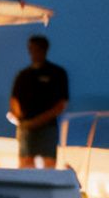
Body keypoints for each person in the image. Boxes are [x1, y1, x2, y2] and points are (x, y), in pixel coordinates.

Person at [9, 34, 70, 168]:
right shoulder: (23, 75)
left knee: (49, 163)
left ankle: (45, 186)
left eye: (35, 49)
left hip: (47, 127)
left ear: (44, 49)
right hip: (26, 128)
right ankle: (25, 186)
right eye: (30, 49)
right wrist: (21, 119)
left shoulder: (57, 73)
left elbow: (61, 104)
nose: (32, 52)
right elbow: (14, 99)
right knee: (26, 162)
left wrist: (37, 122)